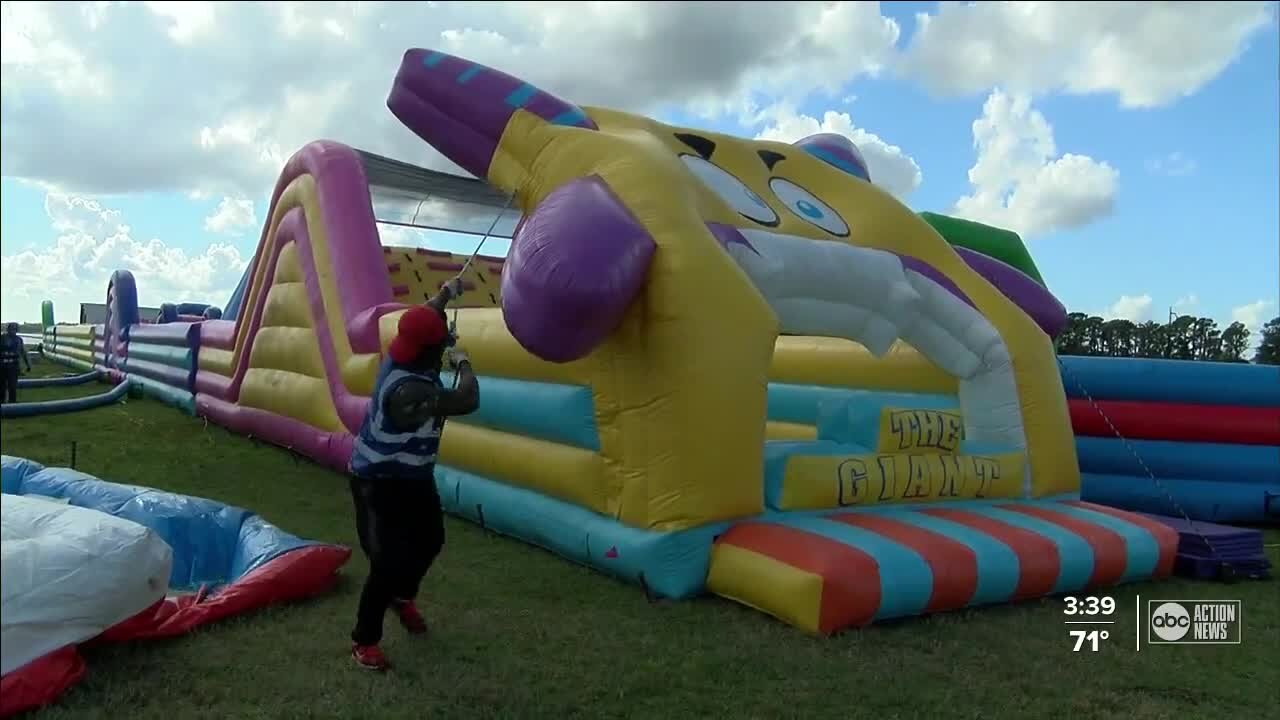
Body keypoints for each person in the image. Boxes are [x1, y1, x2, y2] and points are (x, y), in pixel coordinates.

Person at [347, 277, 480, 671]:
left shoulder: (415, 352)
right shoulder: (406, 388)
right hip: (377, 481)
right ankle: (364, 640)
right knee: (385, 561)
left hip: (415, 476)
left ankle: (402, 597)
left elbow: (428, 314)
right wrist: (463, 362)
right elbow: (466, 399)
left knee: (431, 541)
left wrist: (447, 291)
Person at [1, 323, 32, 404]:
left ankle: (12, 405)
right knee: (1, 387)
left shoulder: (19, 340)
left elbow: (23, 352)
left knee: (12, 386)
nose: (13, 331)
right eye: (11, 329)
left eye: (14, 329)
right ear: (8, 329)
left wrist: (28, 365)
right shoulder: (2, 338)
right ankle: (2, 403)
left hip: (13, 366)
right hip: (2, 366)